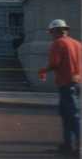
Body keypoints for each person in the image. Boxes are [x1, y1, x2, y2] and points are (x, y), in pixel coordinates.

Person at [38, 19, 81, 155]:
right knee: (68, 115)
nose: (51, 35)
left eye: (51, 32)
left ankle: (78, 148)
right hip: (77, 82)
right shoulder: (77, 44)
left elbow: (54, 63)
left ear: (55, 31)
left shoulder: (58, 43)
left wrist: (42, 71)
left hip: (66, 82)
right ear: (65, 30)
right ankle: (68, 145)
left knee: (72, 116)